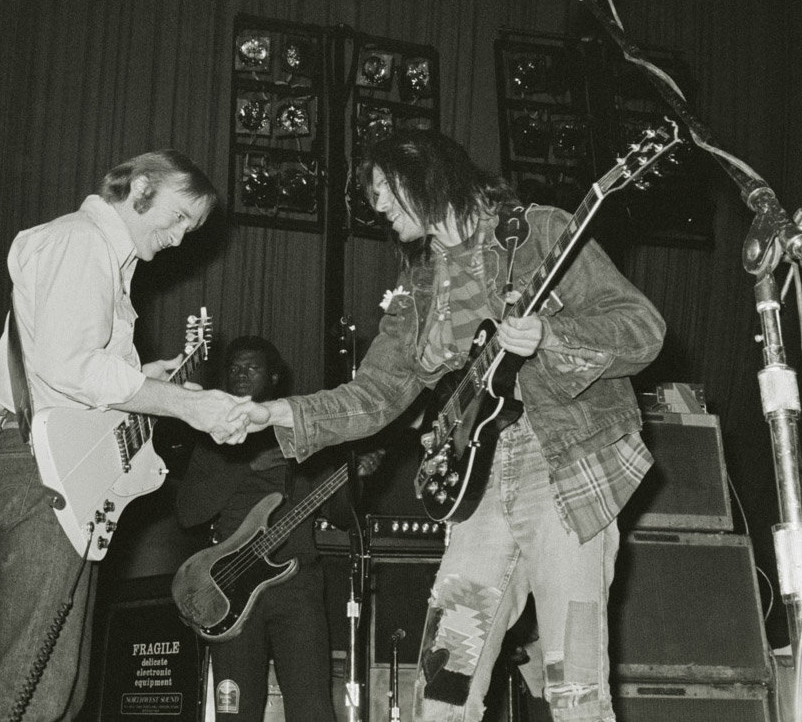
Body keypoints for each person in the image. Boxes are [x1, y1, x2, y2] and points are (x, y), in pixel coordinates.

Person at [238, 129, 666, 722]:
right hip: (481, 490)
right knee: (443, 683)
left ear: (425, 174)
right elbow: (379, 392)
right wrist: (280, 413)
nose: (379, 206)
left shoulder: (539, 232)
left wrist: (551, 336)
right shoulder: (417, 290)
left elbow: (642, 327)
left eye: (385, 190)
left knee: (574, 685)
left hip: (563, 472)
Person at [0, 151, 254, 722]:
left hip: (63, 472)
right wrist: (185, 404)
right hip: (42, 468)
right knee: (29, 685)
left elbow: (79, 374)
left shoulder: (107, 260)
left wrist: (145, 378)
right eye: (178, 218)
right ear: (142, 187)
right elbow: (70, 367)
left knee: (58, 687)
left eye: (190, 230)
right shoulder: (81, 242)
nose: (179, 240)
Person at [176, 335, 344, 722]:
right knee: (236, 711)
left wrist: (358, 472)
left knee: (312, 707)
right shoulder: (213, 436)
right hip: (230, 586)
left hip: (297, 583)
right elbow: (188, 513)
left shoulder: (301, 431)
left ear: (272, 377)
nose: (240, 376)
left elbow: (339, 510)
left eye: (251, 369)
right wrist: (244, 467)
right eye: (234, 368)